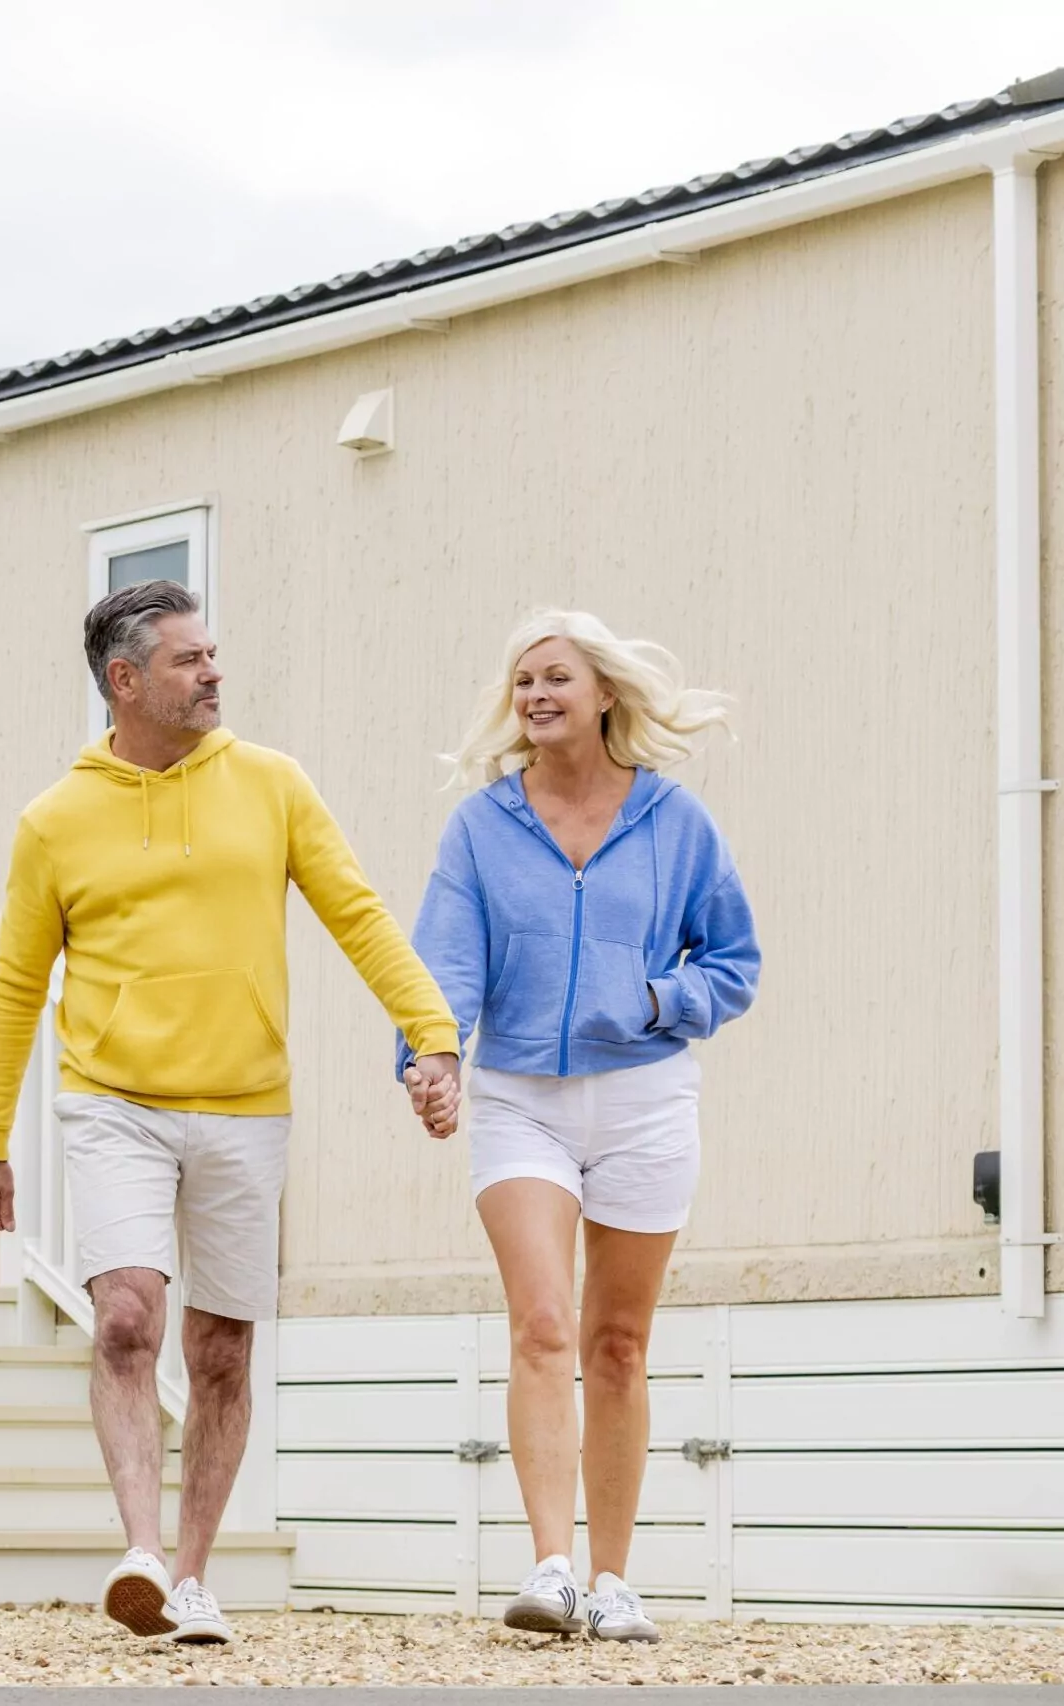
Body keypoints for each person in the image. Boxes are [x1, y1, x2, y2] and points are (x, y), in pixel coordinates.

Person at [0, 579, 459, 1646]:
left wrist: (433, 1033)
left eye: (213, 653)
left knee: (222, 1348)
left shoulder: (273, 785)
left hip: (246, 1104)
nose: (214, 672)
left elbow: (358, 914)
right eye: (190, 659)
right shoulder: (55, 820)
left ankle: (192, 1575)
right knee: (130, 1315)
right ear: (124, 679)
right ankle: (139, 1548)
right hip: (113, 1102)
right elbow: (13, 982)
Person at [402, 610, 759, 1644]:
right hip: (519, 1096)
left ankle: (613, 1578)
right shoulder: (480, 827)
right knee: (543, 1323)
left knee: (616, 1342)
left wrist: (654, 1001)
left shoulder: (676, 821)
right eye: (520, 682)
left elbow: (732, 961)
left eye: (554, 676)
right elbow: (444, 963)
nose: (533, 695)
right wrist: (430, 1056)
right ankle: (551, 1566)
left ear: (604, 692)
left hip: (646, 1095)